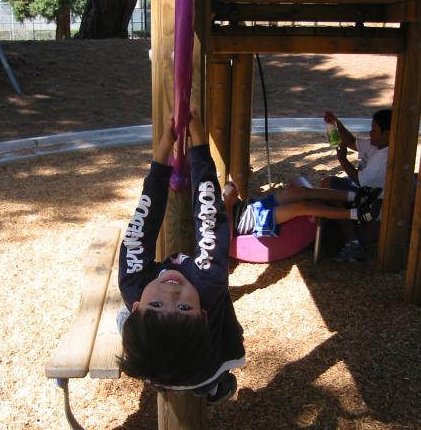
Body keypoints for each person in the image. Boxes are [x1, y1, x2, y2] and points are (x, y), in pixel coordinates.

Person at [117, 109, 244, 404]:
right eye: (184, 307)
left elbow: (142, 227)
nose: (171, 293)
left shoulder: (133, 284)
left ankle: (188, 385)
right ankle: (212, 386)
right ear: (202, 315)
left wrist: (162, 155)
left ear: (136, 307)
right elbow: (209, 217)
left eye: (156, 304)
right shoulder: (209, 284)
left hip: (167, 350)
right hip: (207, 358)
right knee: (207, 374)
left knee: (165, 364)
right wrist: (199, 146)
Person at [320, 109, 392, 262]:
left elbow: (359, 181)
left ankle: (352, 243)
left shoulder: (384, 157)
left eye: (374, 130)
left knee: (330, 190)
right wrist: (336, 123)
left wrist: (342, 159)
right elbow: (351, 141)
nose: (370, 133)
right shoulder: (376, 145)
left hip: (369, 200)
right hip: (362, 189)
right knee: (327, 184)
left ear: (387, 134)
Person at [222, 179, 382, 240]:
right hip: (256, 220)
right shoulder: (206, 222)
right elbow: (224, 238)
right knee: (301, 207)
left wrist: (230, 194)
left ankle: (357, 196)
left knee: (301, 192)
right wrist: (228, 203)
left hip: (254, 205)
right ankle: (358, 215)